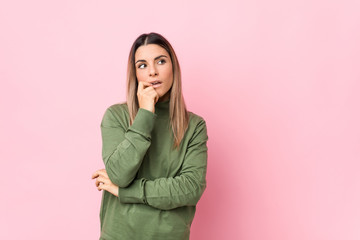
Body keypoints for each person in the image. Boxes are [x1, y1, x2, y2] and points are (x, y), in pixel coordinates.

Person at [91, 32, 209, 240]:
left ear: (173, 67)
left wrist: (125, 192)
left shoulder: (194, 126)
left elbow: (190, 188)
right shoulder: (116, 116)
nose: (152, 72)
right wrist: (145, 114)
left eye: (160, 61)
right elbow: (119, 175)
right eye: (142, 65)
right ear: (135, 73)